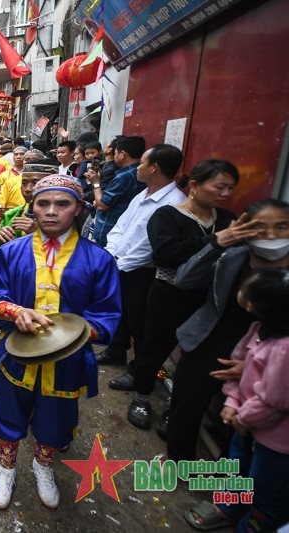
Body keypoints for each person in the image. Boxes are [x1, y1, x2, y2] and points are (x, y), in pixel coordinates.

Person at [0, 175, 121, 510]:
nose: (51, 211)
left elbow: (107, 314)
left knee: (56, 420)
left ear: (79, 209)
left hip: (67, 363)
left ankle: (43, 466)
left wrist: (77, 334)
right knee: (8, 413)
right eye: (43, 203)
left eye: (63, 204)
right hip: (15, 357)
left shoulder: (98, 260)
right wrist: (13, 311)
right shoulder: (11, 252)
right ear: (33, 207)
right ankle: (6, 467)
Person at [168, 199, 289, 462]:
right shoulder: (232, 255)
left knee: (241, 427)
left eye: (281, 227)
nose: (271, 235)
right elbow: (184, 280)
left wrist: (257, 364)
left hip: (269, 363)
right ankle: (179, 462)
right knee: (184, 409)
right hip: (208, 343)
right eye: (260, 228)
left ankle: (230, 487)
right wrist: (218, 242)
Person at [122, 160, 238, 432]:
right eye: (220, 186)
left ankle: (176, 407)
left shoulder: (226, 219)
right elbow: (165, 254)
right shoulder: (168, 216)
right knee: (154, 346)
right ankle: (141, 397)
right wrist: (216, 242)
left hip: (210, 299)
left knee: (196, 355)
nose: (225, 193)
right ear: (195, 186)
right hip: (169, 294)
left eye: (231, 188)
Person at [185, 267, 289, 533]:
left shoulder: (284, 350)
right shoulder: (257, 330)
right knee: (236, 468)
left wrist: (242, 417)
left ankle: (251, 526)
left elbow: (274, 401)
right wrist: (232, 402)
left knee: (264, 488)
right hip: (245, 421)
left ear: (254, 305)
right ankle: (227, 507)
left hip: (275, 441)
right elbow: (239, 366)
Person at [101, 145, 187, 394]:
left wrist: (120, 263)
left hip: (141, 272)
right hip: (120, 263)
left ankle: (137, 371)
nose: (137, 167)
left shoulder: (173, 203)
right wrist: (111, 254)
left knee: (141, 326)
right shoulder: (143, 194)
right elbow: (121, 226)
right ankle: (116, 350)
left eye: (142, 163)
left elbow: (149, 247)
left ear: (154, 168)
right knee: (121, 313)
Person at [0, 162, 57, 254]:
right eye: (24, 183)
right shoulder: (13, 214)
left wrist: (39, 233)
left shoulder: (65, 216)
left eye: (35, 183)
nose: (27, 189)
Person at [90, 136, 147, 246]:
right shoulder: (137, 172)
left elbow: (102, 205)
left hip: (109, 230)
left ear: (122, 154)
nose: (114, 157)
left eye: (115, 153)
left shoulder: (124, 177)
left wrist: (95, 182)